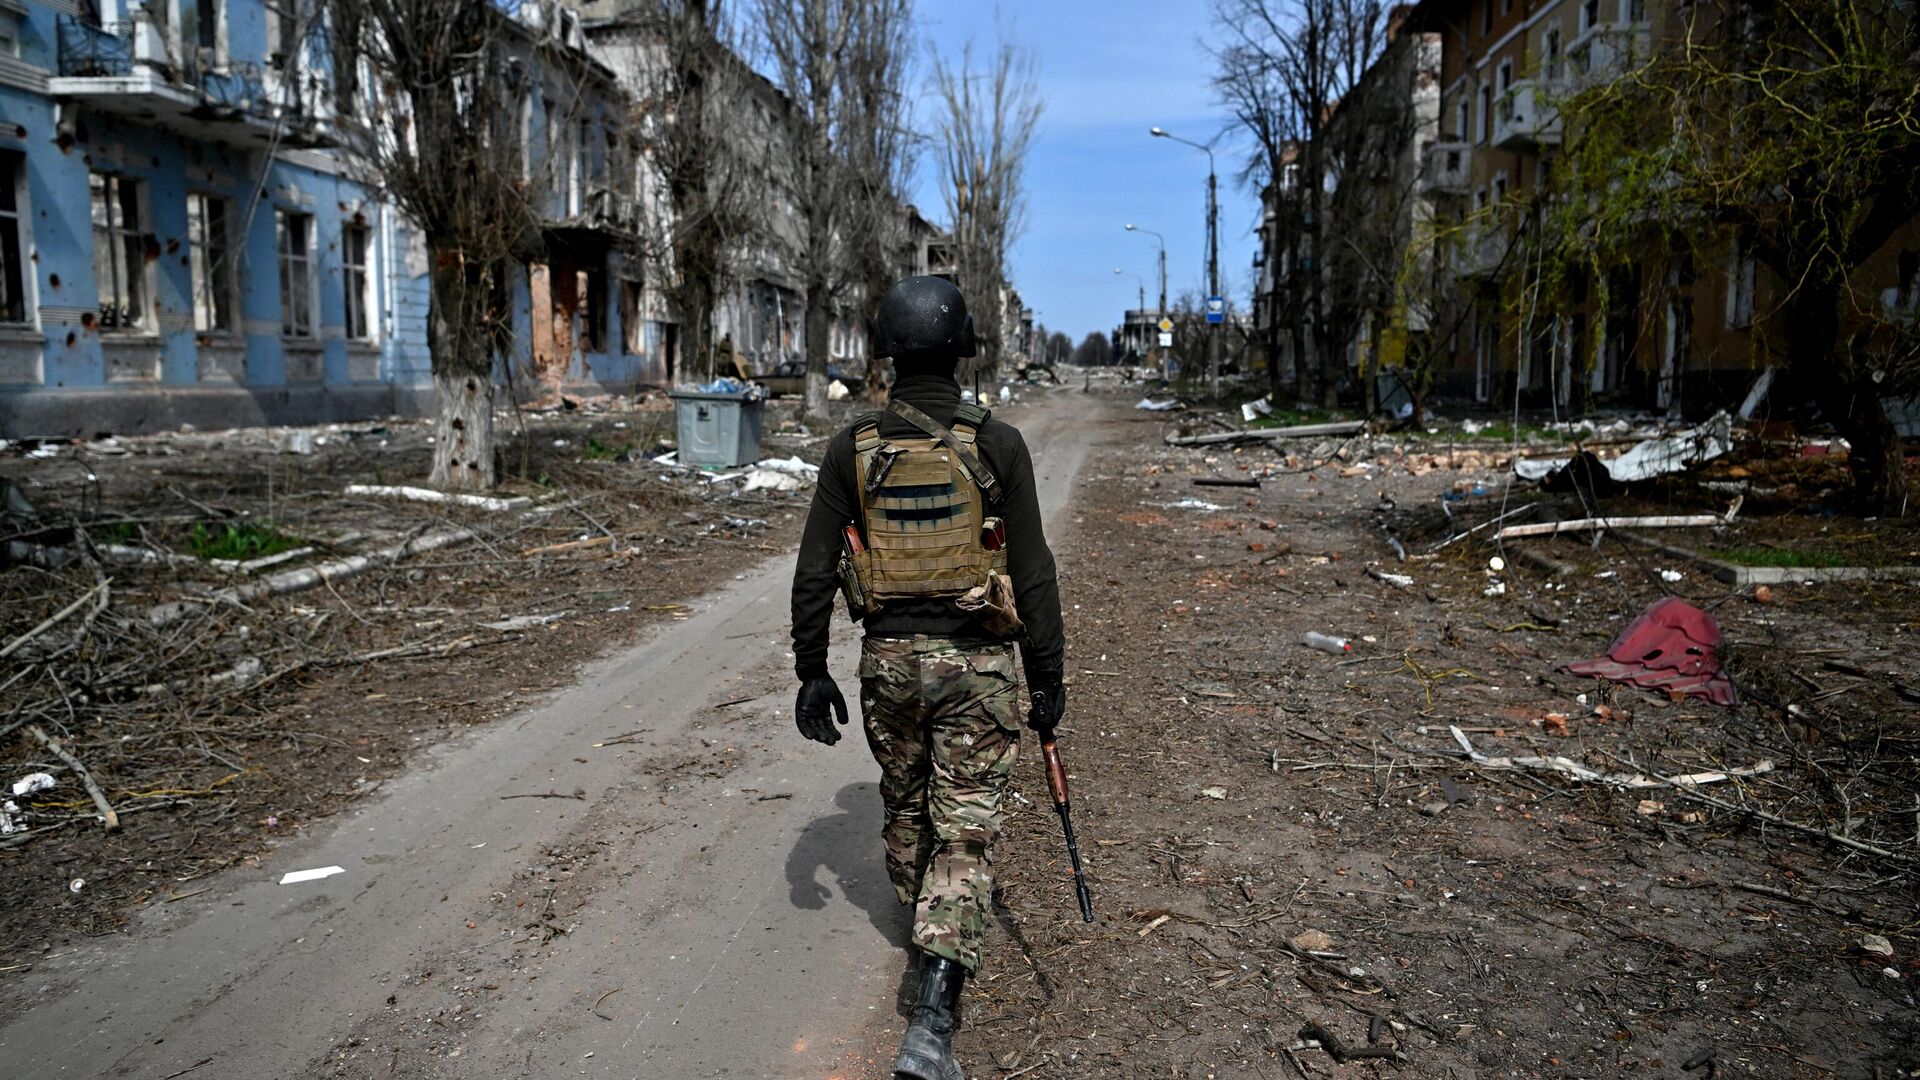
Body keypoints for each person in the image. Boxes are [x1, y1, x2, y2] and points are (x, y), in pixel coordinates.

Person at [789, 275, 1067, 1080]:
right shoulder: (998, 443)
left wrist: (812, 669)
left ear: (887, 351)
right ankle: (935, 1017)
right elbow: (1034, 572)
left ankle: (924, 938)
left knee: (908, 804)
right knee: (965, 828)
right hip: (978, 667)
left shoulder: (854, 446)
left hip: (889, 666)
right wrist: (1046, 675)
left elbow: (816, 568)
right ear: (962, 349)